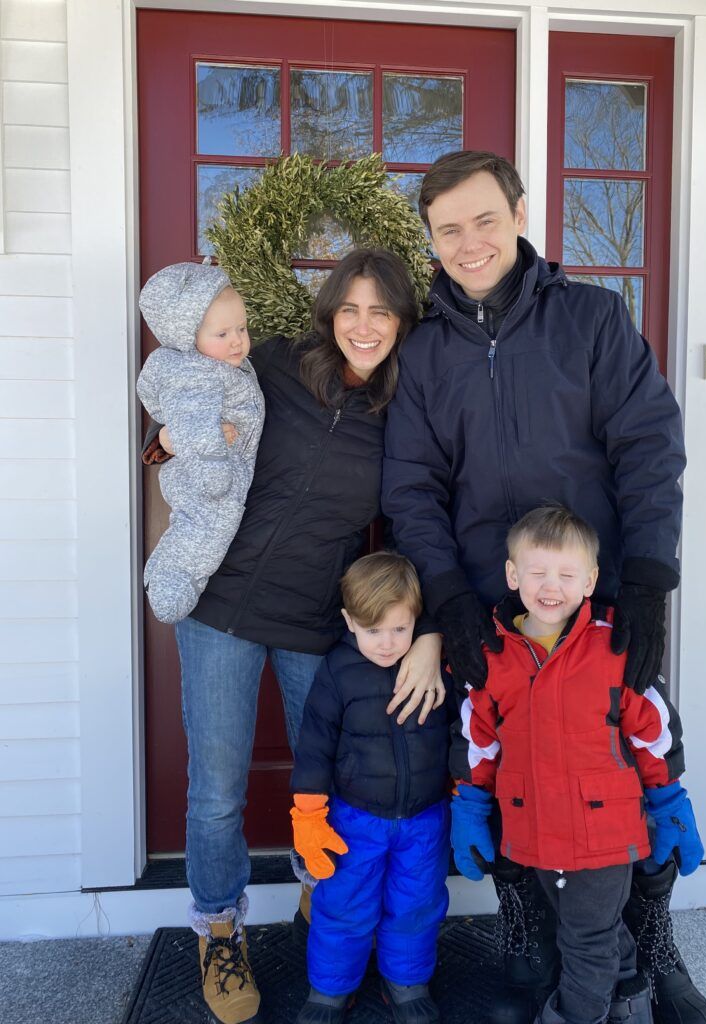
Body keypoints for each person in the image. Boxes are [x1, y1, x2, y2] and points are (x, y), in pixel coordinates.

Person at [381, 151, 706, 1024]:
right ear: (431, 240)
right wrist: (452, 597)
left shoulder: (592, 319)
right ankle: (529, 942)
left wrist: (648, 580)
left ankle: (654, 949)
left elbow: (649, 446)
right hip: (493, 610)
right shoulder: (425, 353)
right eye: (448, 229)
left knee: (639, 769)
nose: (469, 242)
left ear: (520, 215)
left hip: (596, 603)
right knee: (502, 773)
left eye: (484, 220)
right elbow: (412, 488)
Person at [143, 249, 445, 1024]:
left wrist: (426, 627)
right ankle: (219, 931)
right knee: (217, 791)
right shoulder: (272, 364)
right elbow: (187, 392)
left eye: (382, 311)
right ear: (330, 311)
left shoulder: (406, 407)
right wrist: (165, 439)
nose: (364, 326)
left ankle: (326, 905)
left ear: (402, 322)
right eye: (351, 308)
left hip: (318, 620)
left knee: (338, 777)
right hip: (223, 607)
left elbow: (418, 516)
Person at [449, 505, 704, 1024]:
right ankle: (630, 1003)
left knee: (585, 942)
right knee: (593, 929)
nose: (551, 587)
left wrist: (669, 800)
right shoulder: (493, 654)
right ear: (512, 575)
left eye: (567, 575)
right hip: (534, 828)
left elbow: (651, 730)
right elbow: (478, 739)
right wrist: (470, 806)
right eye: (538, 572)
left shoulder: (613, 648)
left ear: (590, 581)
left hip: (604, 831)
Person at [290, 552, 451, 1024]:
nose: (387, 643)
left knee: (417, 904)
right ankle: (330, 989)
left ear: (417, 620)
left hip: (424, 818)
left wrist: (466, 792)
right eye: (373, 630)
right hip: (355, 820)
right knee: (344, 904)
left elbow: (461, 730)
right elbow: (314, 745)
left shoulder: (434, 666)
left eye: (400, 629)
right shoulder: (338, 671)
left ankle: (406, 981)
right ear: (349, 622)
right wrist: (308, 814)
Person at [137, 262, 264, 623]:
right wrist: (213, 476)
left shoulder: (224, 365)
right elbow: (193, 424)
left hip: (217, 473)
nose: (237, 340)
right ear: (188, 335)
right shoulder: (194, 373)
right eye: (222, 333)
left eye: (241, 328)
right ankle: (171, 589)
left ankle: (165, 574)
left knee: (194, 529)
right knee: (206, 533)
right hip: (209, 478)